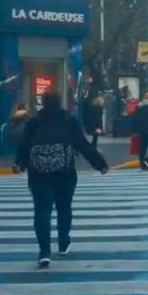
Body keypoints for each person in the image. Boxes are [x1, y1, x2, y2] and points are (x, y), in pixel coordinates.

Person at [14, 90, 110, 268]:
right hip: (65, 173)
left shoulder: (34, 123)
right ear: (60, 103)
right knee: (64, 208)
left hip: (39, 174)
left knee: (42, 212)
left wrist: (20, 164)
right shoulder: (69, 122)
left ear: (43, 103)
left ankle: (44, 252)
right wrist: (100, 164)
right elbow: (83, 145)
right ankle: (63, 242)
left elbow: (24, 146)